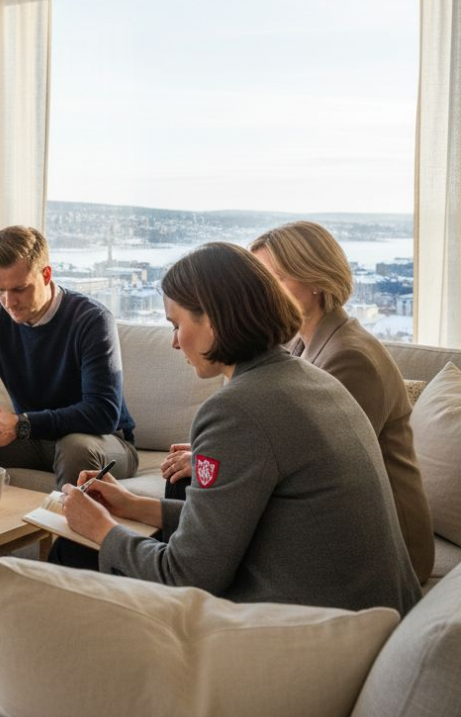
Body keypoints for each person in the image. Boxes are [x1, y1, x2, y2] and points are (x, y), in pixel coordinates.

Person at [53, 242, 421, 614]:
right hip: (368, 613)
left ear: (212, 319)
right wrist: (134, 505)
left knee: (76, 549)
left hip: (315, 629)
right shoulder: (314, 380)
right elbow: (232, 522)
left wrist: (101, 528)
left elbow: (184, 575)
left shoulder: (235, 410)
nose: (175, 341)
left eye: (177, 324)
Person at [161, 222, 435, 584]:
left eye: (272, 279)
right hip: (330, 523)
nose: (258, 292)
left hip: (376, 543)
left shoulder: (351, 357)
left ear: (315, 280)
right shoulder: (299, 348)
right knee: (184, 485)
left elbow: (319, 456)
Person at [0, 225, 138, 492]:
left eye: (19, 289)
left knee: (75, 448)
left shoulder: (91, 320)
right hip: (36, 438)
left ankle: (66, 533)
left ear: (46, 274)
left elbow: (102, 414)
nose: (8, 302)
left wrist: (21, 424)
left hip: (103, 442)